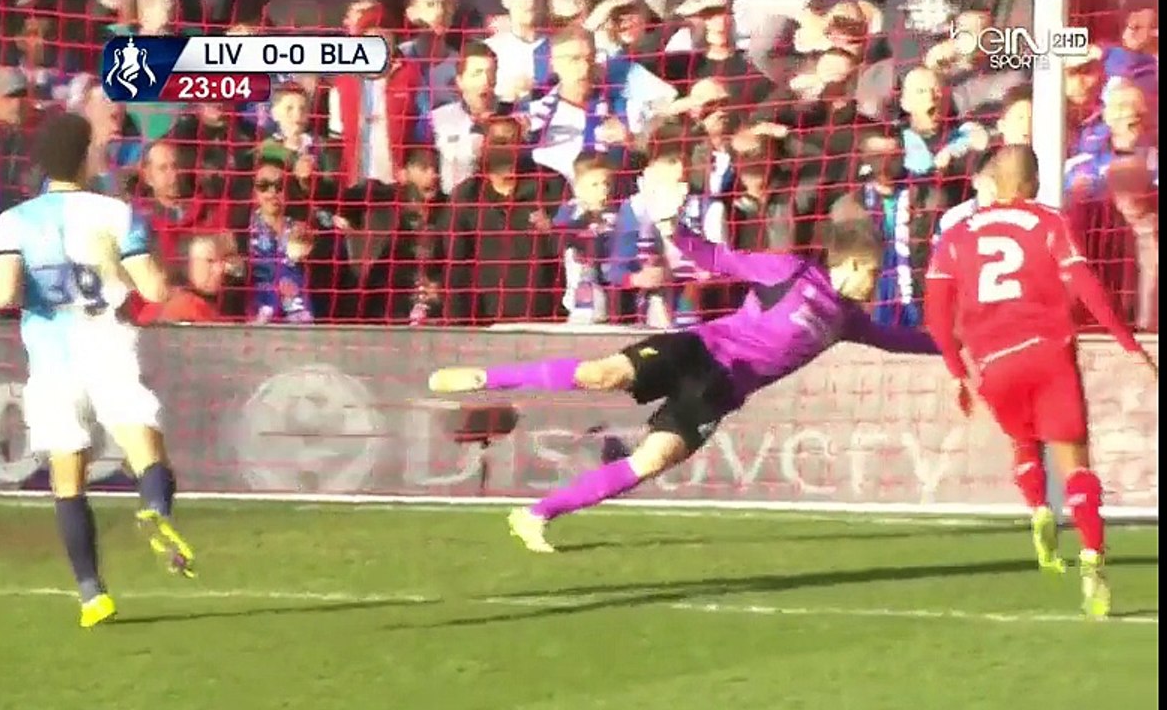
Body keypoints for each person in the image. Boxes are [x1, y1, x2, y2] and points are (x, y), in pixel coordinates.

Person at [428, 165, 941, 553]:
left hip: (720, 392)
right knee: (601, 374)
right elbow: (715, 258)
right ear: (853, 263)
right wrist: (674, 226)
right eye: (872, 273)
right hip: (697, 350)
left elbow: (901, 341)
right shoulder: (788, 272)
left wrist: (961, 344)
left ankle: (535, 516)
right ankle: (485, 377)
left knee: (651, 460)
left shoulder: (847, 319)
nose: (875, 285)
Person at [924, 145, 1158, 619]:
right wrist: (1128, 345)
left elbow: (936, 312)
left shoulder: (956, 234)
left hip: (993, 361)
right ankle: (1092, 558)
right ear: (1031, 185)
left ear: (993, 183)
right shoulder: (1050, 222)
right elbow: (1086, 285)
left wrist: (956, 370)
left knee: (1023, 440)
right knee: (1075, 461)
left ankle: (1037, 509)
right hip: (1048, 352)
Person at [0, 113, 195, 629]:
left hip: (53, 358)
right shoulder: (117, 213)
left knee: (67, 477)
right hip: (107, 343)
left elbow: (1, 295)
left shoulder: (16, 220)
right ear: (85, 156)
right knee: (143, 445)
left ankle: (91, 593)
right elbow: (156, 292)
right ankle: (154, 508)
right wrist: (116, 268)